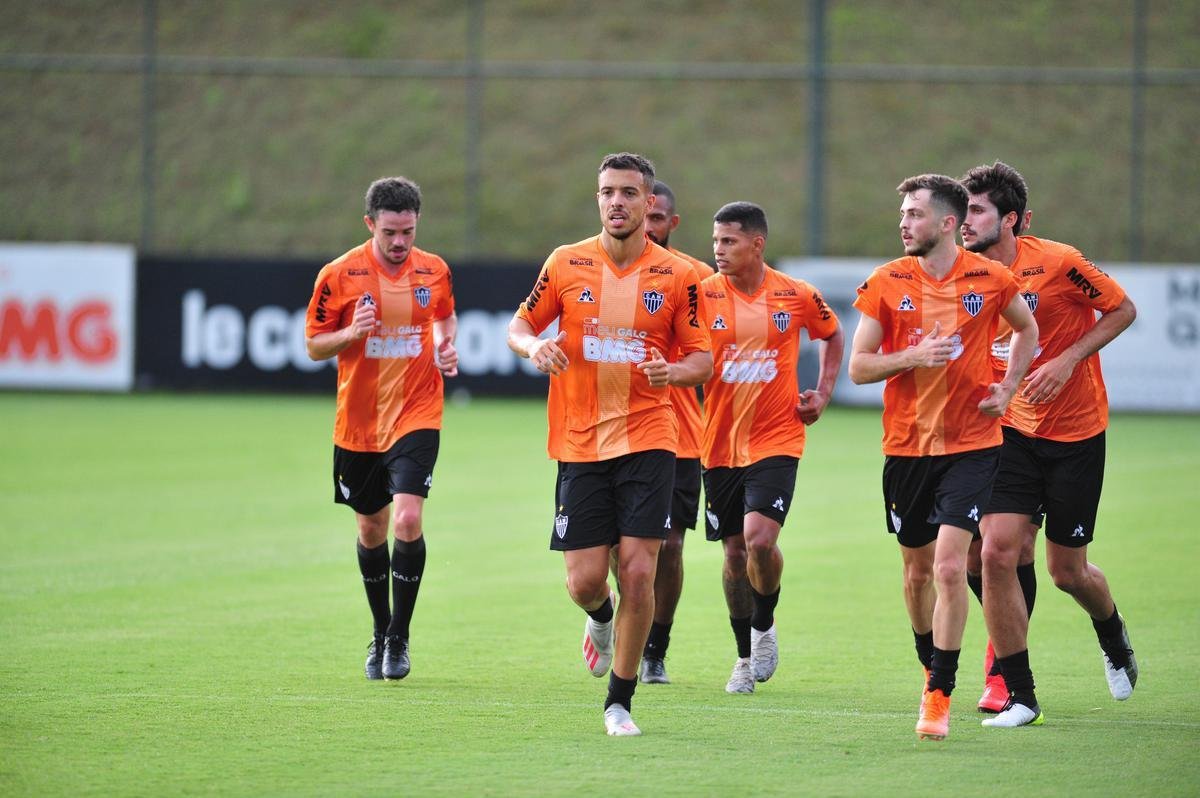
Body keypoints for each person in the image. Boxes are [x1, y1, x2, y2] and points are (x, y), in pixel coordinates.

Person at [507, 153, 713, 736]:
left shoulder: (679, 275)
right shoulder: (566, 263)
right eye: (607, 192)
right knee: (586, 581)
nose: (616, 202)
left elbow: (702, 356)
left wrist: (675, 373)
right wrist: (532, 349)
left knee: (640, 572)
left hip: (651, 439)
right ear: (597, 199)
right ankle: (600, 617)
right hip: (578, 442)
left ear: (652, 205)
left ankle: (619, 702)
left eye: (628, 192)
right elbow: (519, 325)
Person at [847, 173, 1038, 741]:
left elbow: (1027, 332)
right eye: (902, 213)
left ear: (948, 223)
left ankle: (939, 694)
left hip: (973, 447)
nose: (903, 222)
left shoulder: (991, 278)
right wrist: (912, 355)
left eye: (914, 214)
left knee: (953, 566)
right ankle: (932, 660)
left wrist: (1007, 389)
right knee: (915, 576)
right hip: (906, 448)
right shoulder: (886, 281)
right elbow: (858, 368)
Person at [961, 161, 1139, 728]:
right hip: (1010, 430)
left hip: (1075, 433)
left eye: (977, 211)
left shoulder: (1059, 262)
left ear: (1010, 219)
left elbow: (1122, 309)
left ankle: (1112, 635)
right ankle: (1019, 694)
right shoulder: (962, 273)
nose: (965, 222)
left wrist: (1067, 359)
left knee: (1068, 572)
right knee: (994, 551)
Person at [304, 177, 458, 682]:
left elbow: (445, 316)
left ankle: (399, 639)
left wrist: (443, 344)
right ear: (370, 224)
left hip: (416, 411)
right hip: (359, 422)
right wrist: (351, 333)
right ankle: (379, 627)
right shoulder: (339, 274)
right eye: (390, 232)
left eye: (408, 232)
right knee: (370, 528)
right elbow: (314, 345)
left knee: (406, 521)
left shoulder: (434, 270)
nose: (399, 243)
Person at [699, 201, 844, 694]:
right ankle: (743, 655)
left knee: (759, 539)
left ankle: (763, 625)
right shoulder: (701, 297)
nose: (718, 250)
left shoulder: (796, 294)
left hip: (777, 436)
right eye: (716, 241)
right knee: (735, 554)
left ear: (757, 244)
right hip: (718, 443)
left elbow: (832, 334)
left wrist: (822, 391)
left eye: (729, 241)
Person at [636, 179, 715, 685]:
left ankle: (655, 647)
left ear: (672, 222)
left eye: (658, 218)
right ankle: (610, 614)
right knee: (618, 551)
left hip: (681, 434)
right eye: (644, 216)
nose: (649, 226)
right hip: (612, 431)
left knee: (668, 547)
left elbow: (716, 354)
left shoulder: (697, 279)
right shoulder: (598, 270)